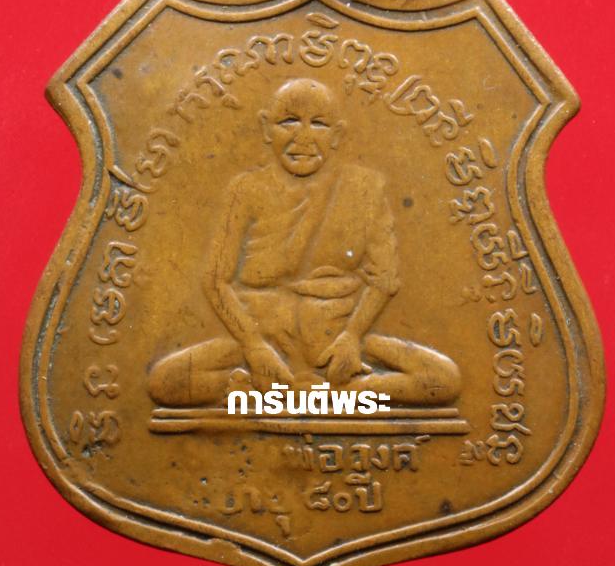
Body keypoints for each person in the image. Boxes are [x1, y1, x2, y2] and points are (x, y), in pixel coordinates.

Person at [148, 78, 460, 407]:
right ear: (266, 128)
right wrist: (254, 346)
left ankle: (305, 394)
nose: (303, 138)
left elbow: (384, 280)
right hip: (266, 332)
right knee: (166, 381)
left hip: (333, 335)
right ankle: (311, 394)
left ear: (337, 134)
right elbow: (215, 280)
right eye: (289, 121)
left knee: (443, 379)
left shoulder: (364, 188)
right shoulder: (247, 190)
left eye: (319, 124)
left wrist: (352, 337)